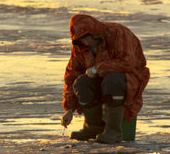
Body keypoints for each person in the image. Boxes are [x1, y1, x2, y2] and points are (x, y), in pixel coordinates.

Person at [61, 14, 150, 144]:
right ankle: (93, 128)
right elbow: (72, 74)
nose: (85, 43)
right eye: (80, 40)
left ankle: (114, 132)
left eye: (87, 38)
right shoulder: (80, 47)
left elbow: (128, 62)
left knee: (111, 79)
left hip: (130, 79)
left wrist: (98, 69)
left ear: (95, 33)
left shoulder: (118, 33)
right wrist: (69, 109)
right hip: (101, 81)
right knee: (81, 83)